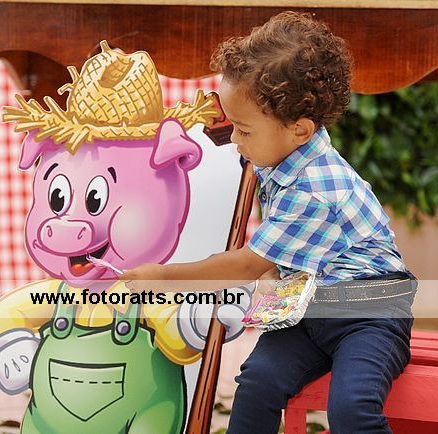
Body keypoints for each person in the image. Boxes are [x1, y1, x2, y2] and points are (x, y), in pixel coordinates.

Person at [121, 11, 417, 433]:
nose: (236, 140)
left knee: (353, 407)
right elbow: (242, 132)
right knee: (257, 381)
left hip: (370, 317)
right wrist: (221, 124)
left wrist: (165, 277)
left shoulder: (313, 190)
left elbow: (246, 264)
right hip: (310, 311)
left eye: (243, 130)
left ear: (299, 129)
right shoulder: (285, 145)